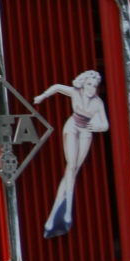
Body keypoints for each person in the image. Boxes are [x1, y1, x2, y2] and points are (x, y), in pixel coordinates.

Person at [34, 70, 109, 238]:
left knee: (72, 171)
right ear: (83, 83)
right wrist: (42, 96)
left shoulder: (97, 103)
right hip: (72, 127)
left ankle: (53, 218)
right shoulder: (75, 92)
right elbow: (56, 87)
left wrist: (96, 127)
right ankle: (67, 211)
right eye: (89, 84)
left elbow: (105, 124)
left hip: (86, 132)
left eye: (95, 86)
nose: (92, 88)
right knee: (72, 166)